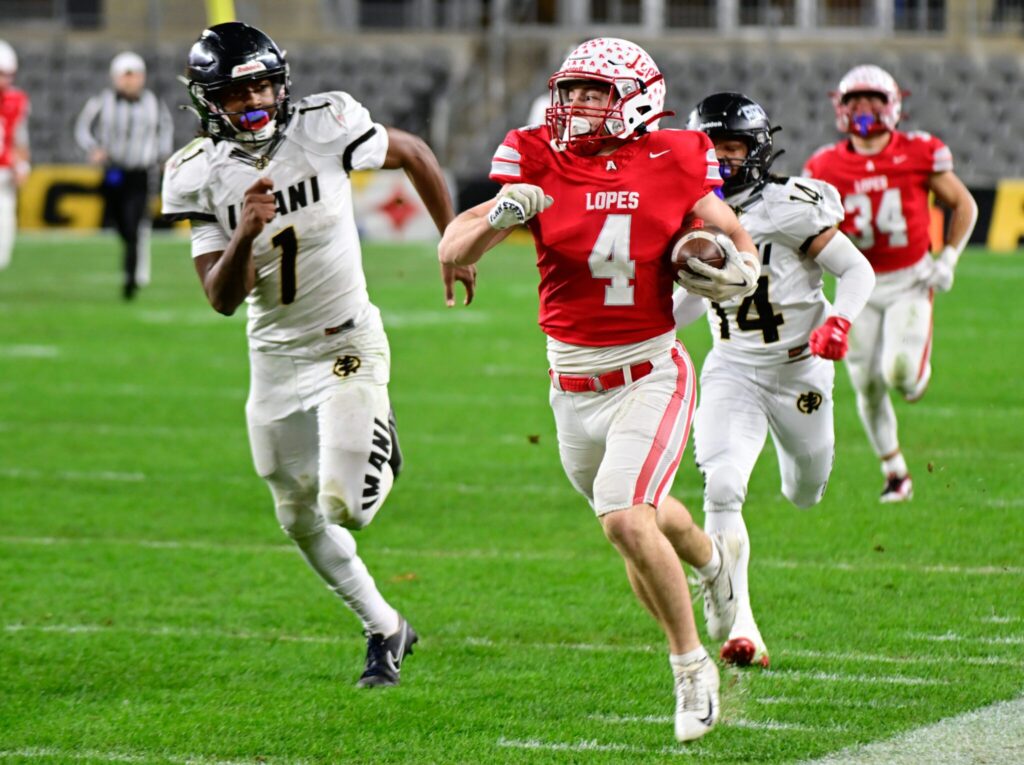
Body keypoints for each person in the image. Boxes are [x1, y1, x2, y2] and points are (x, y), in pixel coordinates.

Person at [439, 38, 759, 742]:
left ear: (637, 99)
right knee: (642, 519)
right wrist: (499, 216)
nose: (576, 104)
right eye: (571, 90)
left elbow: (737, 240)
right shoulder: (536, 153)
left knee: (623, 515)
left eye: (594, 92)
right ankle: (713, 564)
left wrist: (737, 273)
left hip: (649, 369)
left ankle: (691, 668)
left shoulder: (675, 156)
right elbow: (451, 248)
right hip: (570, 385)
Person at [162, 22, 470, 687]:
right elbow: (220, 298)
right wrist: (244, 231)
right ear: (206, 100)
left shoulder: (324, 123)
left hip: (346, 342)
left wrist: (453, 241)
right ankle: (386, 626)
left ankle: (382, 440)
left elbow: (413, 151)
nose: (256, 102)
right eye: (238, 92)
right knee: (295, 514)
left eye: (265, 85)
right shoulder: (197, 172)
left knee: (348, 505)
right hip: (273, 354)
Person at [673, 93, 876, 669]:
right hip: (733, 366)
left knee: (804, 490)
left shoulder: (788, 206)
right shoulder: (687, 213)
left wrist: (839, 320)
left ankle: (736, 604)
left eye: (732, 148)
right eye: (711, 148)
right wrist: (650, 326)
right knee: (723, 485)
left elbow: (855, 268)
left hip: (800, 369)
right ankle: (737, 621)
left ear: (757, 150)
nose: (722, 160)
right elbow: (688, 303)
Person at [803, 65, 977, 502]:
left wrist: (949, 257)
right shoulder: (824, 164)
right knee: (866, 385)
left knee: (899, 373)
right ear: (839, 107)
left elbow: (964, 204)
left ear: (893, 105)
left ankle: (916, 376)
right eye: (854, 101)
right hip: (854, 284)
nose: (863, 110)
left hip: (909, 280)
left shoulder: (919, 151)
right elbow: (806, 227)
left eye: (872, 101)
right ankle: (895, 472)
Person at [75, 51, 174, 299]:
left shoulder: (154, 102)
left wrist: (164, 158)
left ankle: (132, 278)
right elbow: (82, 128)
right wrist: (94, 149)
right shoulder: (102, 101)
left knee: (136, 224)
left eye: (135, 76)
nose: (131, 81)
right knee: (119, 222)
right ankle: (132, 266)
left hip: (142, 173)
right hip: (114, 171)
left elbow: (165, 130)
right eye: (126, 76)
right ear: (115, 78)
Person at [0, 39, 31, 271]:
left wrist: (22, 166)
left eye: (9, 74)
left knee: (3, 243)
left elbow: (20, 139)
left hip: (4, 174)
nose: (5, 80)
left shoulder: (16, 100)